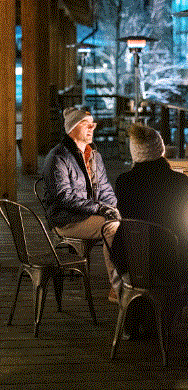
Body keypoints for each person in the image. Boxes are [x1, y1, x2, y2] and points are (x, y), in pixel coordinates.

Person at [42, 107, 120, 301]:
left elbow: (105, 189)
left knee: (124, 222)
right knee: (112, 229)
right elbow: (64, 197)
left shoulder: (94, 155)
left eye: (93, 124)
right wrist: (101, 209)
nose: (91, 128)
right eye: (86, 124)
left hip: (90, 215)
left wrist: (113, 208)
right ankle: (117, 289)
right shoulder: (58, 157)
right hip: (66, 219)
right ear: (72, 128)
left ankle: (130, 282)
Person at [115, 123, 188, 280]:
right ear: (161, 149)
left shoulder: (123, 182)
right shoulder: (180, 181)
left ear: (134, 152)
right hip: (175, 264)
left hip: (135, 263)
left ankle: (122, 293)